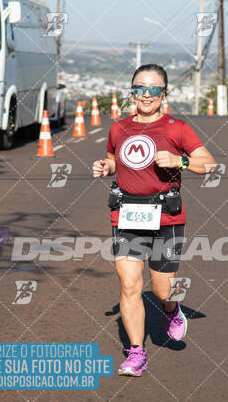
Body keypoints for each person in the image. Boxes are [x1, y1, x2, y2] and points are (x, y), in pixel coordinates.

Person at [92, 63, 217, 377]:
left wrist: (181, 161)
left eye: (153, 90)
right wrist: (105, 168)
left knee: (164, 290)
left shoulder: (177, 128)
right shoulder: (119, 128)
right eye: (139, 89)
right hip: (127, 213)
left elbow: (210, 164)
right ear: (131, 92)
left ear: (164, 93)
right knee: (129, 284)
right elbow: (112, 158)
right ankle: (136, 353)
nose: (145, 95)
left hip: (166, 216)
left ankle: (172, 310)